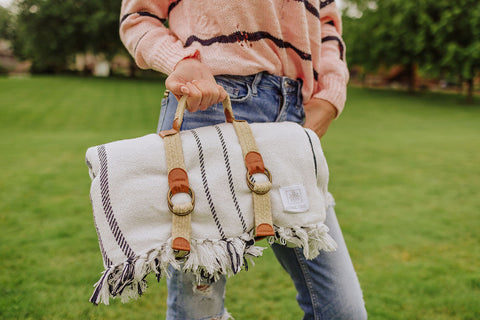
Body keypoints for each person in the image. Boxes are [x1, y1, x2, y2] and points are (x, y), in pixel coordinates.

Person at [119, 1, 367, 319]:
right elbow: (138, 16)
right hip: (207, 105)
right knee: (199, 312)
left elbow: (328, 25)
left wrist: (330, 97)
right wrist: (183, 61)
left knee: (342, 312)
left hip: (293, 116)